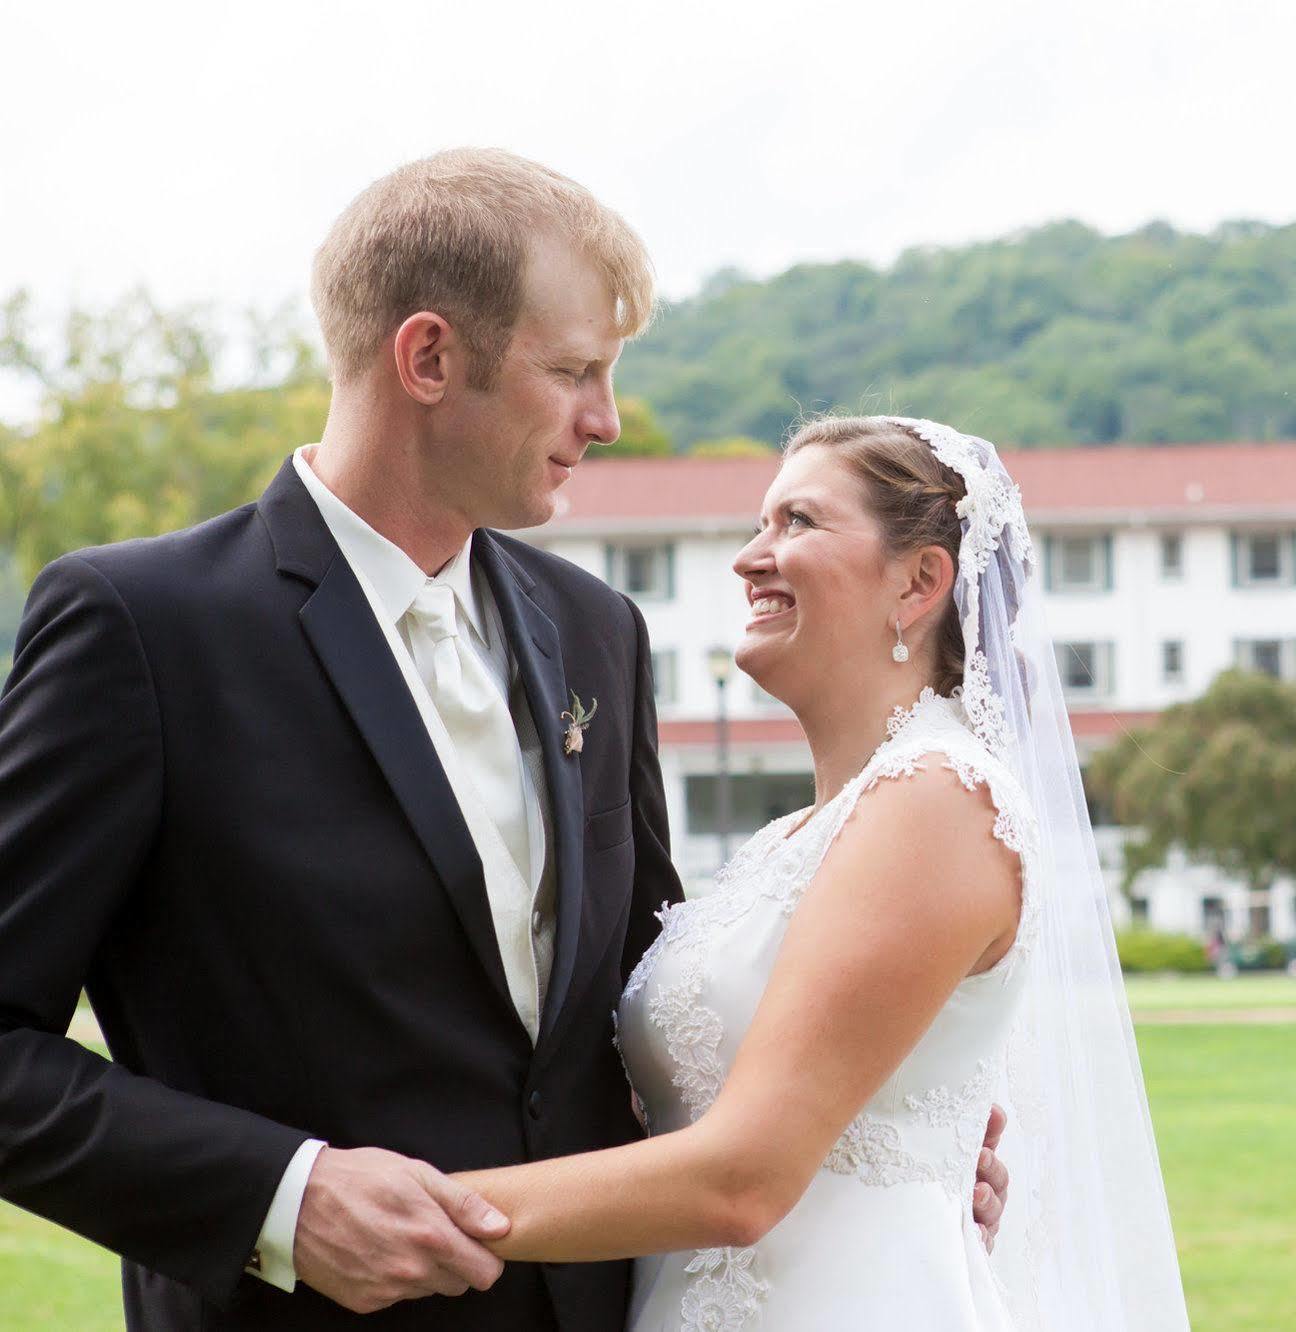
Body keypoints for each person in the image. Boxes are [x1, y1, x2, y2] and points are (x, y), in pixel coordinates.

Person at [0, 150, 1009, 1329]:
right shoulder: (145, 629)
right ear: (428, 358)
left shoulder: (595, 634)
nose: (609, 419)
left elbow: (646, 1009)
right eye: (574, 370)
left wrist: (876, 1129)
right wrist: (284, 1197)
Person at [453, 414, 1189, 1329]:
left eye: (797, 523)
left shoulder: (937, 799)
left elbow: (743, 1179)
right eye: (763, 524)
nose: (750, 558)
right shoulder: (791, 838)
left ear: (919, 582)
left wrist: (422, 1211)